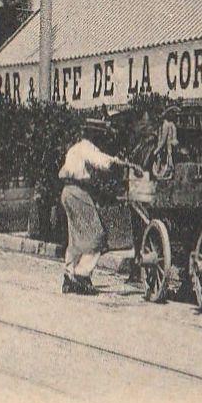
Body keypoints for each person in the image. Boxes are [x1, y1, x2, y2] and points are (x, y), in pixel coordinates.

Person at [58, 118, 140, 295]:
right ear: (93, 134)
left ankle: (69, 275)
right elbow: (101, 161)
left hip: (67, 191)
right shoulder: (86, 147)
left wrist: (117, 161)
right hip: (78, 191)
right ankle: (82, 275)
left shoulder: (75, 148)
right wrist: (119, 163)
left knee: (76, 236)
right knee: (96, 235)